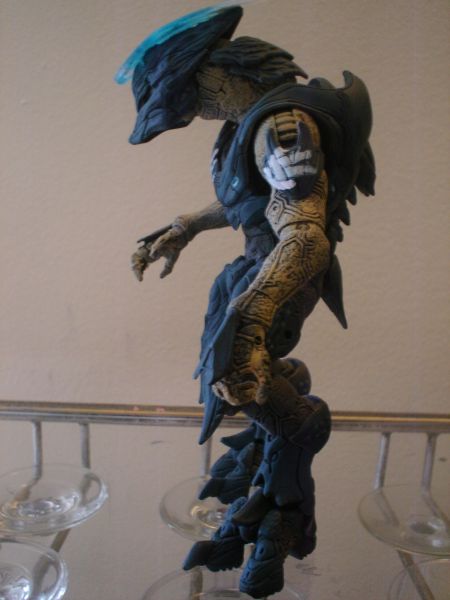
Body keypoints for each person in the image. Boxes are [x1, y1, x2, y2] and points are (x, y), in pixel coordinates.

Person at [117, 5, 375, 597]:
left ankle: (293, 463)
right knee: (236, 377)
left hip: (282, 277)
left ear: (221, 73)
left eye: (198, 95)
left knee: (234, 376)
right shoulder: (252, 122)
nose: (200, 109)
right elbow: (252, 198)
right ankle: (277, 425)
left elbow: (304, 236)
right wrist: (186, 224)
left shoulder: (281, 126)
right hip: (257, 268)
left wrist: (253, 319)